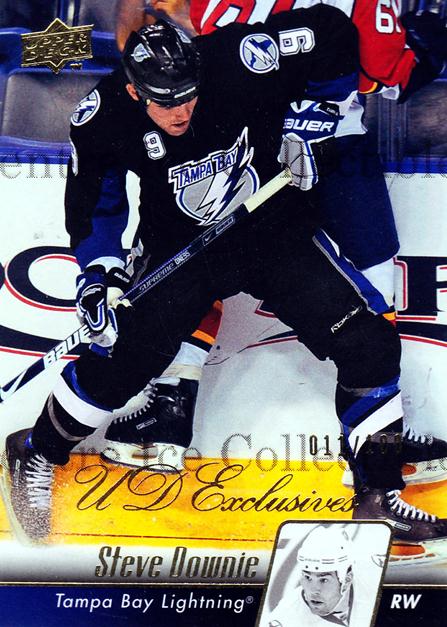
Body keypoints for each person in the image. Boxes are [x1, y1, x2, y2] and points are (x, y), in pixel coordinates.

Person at [2, 9, 446, 546]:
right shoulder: (102, 115)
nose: (181, 110)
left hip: (274, 230)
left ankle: (376, 495)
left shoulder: (238, 58)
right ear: (136, 91)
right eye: (165, 102)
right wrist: (99, 277)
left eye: (189, 96)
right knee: (119, 366)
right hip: (180, 248)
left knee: (369, 342)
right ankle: (35, 450)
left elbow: (332, 32)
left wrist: (313, 119)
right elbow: (97, 208)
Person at [104, 0, 447, 482]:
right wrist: (425, 52)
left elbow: (163, 43)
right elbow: (386, 73)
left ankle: (166, 418)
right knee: (372, 269)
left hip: (234, 148)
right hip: (332, 147)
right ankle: (381, 441)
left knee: (193, 260)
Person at [262, 526, 369, 627]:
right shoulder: (286, 615)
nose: (313, 591)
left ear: (346, 580)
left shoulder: (371, 583)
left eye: (323, 580)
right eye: (308, 577)